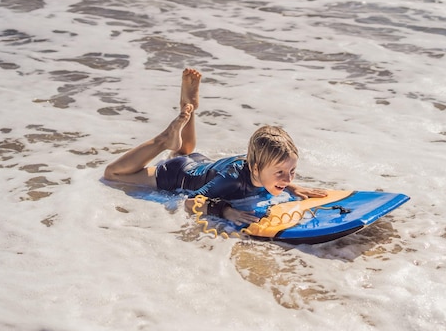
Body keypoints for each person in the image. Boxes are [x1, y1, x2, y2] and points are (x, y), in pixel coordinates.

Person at [104, 68, 327, 225]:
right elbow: (191, 203)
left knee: (184, 151)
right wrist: (225, 210)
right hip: (175, 174)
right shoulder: (232, 180)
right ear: (256, 169)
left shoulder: (258, 164)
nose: (288, 178)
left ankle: (188, 106)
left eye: (291, 171)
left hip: (198, 164)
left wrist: (291, 187)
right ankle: (163, 140)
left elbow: (271, 172)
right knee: (112, 174)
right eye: (281, 173)